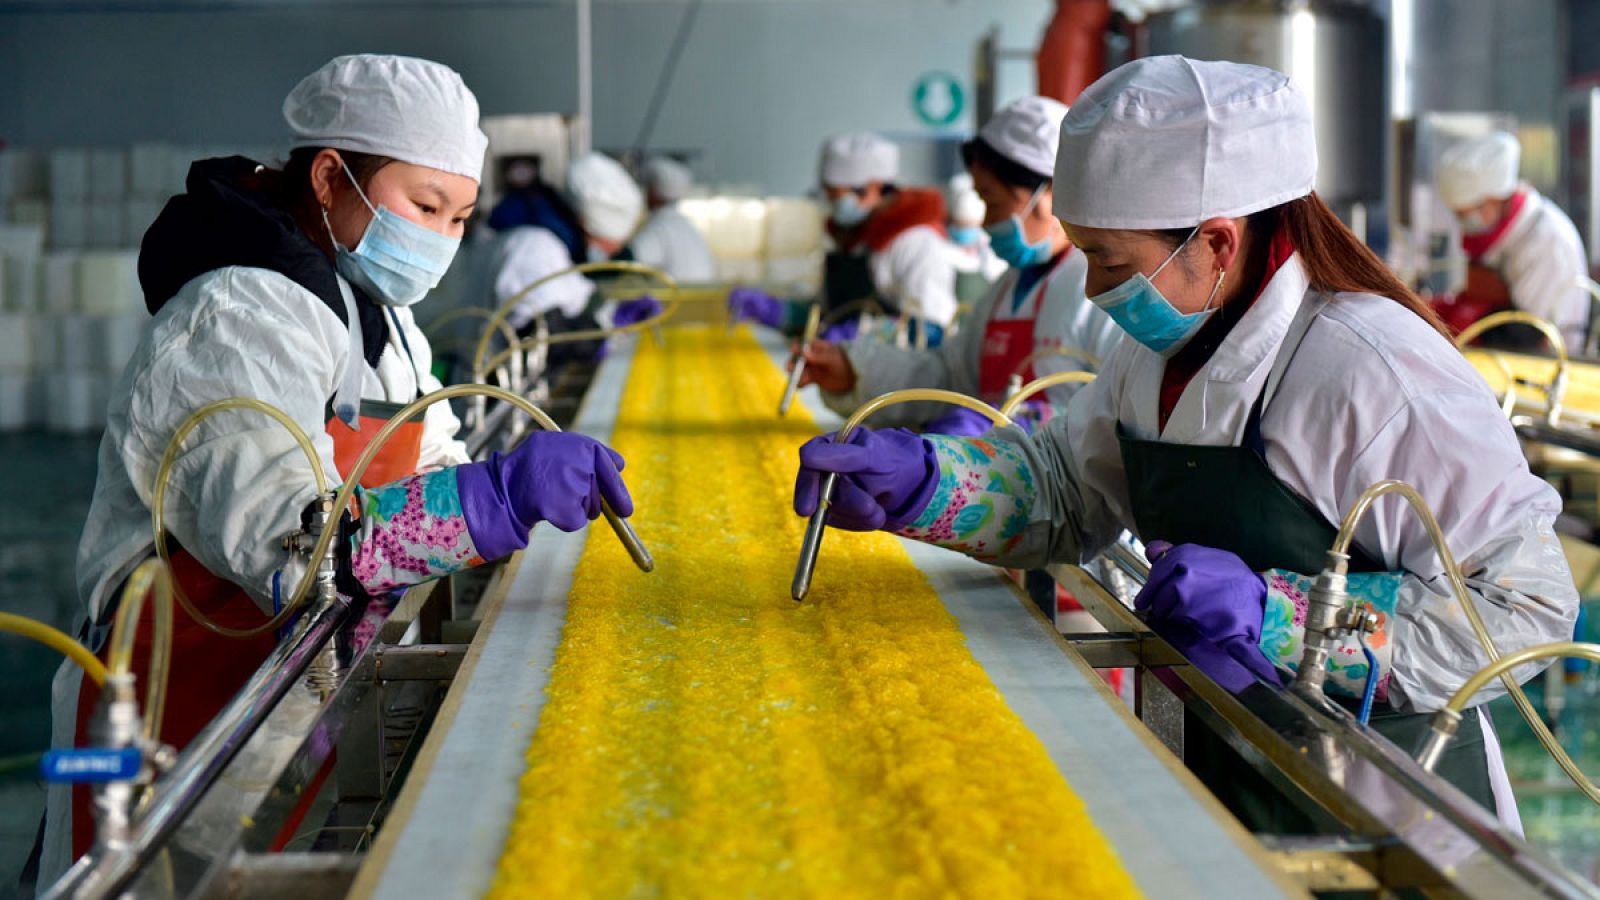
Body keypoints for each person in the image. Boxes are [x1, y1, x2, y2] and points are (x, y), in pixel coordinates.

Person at [793, 56, 1576, 832]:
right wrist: (931, 484)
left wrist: (1281, 617)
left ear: (1218, 243)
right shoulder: (1158, 351)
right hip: (1222, 763)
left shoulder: (1366, 369)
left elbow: (1525, 607)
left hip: (1386, 809)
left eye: (1109, 261)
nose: (1096, 292)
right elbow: (1070, 488)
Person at [43, 55, 638, 880]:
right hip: (182, 710)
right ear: (329, 178)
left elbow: (434, 451)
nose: (440, 237)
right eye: (423, 206)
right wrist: (492, 500)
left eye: (461, 215)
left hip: (293, 690)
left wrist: (499, 499)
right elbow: (299, 552)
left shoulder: (382, 317)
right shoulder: (240, 313)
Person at [792, 96, 1120, 437]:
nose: (985, 222)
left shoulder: (1100, 294)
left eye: (992, 201)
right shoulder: (1007, 288)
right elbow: (949, 376)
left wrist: (1018, 426)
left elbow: (1116, 420)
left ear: (1052, 191)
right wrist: (856, 370)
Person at [728, 132, 961, 347]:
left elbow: (931, 328)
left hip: (901, 382)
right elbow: (832, 312)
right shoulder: (853, 238)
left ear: (872, 188)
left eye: (836, 195)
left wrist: (863, 334)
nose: (832, 205)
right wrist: (779, 312)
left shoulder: (916, 242)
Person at [1434, 131, 1591, 352]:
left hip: (1543, 370)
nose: (1464, 223)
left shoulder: (1545, 240)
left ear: (1495, 200)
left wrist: (1463, 321)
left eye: (1466, 214)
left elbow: (1526, 335)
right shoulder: (1504, 235)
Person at [630, 156, 716, 282]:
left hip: (674, 299)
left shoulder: (660, 227)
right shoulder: (688, 227)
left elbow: (631, 260)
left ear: (654, 194)